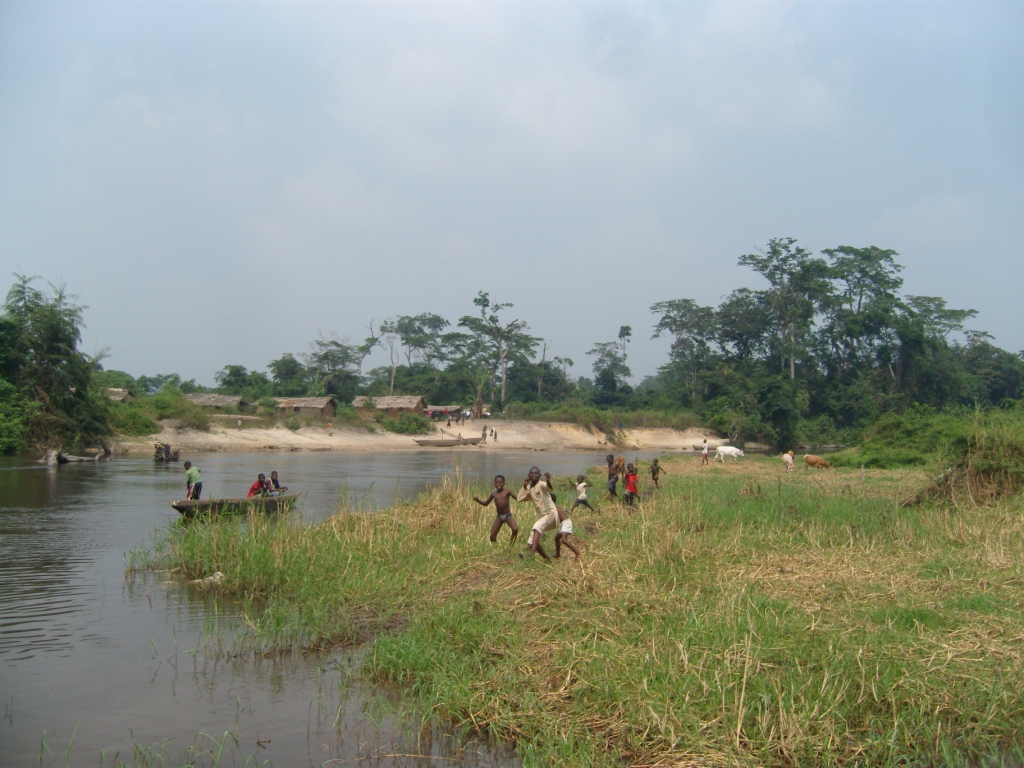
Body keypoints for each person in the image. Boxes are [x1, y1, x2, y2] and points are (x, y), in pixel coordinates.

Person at [516, 466, 557, 561]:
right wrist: (524, 486)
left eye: (536, 473)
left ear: (539, 475)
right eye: (531, 473)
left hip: (550, 513)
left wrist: (548, 480)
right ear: (528, 475)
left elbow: (549, 489)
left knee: (537, 527)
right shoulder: (529, 487)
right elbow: (519, 498)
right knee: (531, 543)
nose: (533, 475)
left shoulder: (541, 484)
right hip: (542, 517)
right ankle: (547, 560)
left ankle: (531, 555)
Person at [473, 474, 518, 544]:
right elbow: (485, 503)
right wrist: (477, 500)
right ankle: (495, 547)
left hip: (507, 516)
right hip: (499, 517)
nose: (498, 484)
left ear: (504, 483)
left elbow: (517, 498)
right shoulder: (493, 494)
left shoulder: (507, 491)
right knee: (492, 536)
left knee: (515, 529)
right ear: (494, 483)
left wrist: (527, 497)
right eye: (497, 482)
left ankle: (511, 546)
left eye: (500, 482)